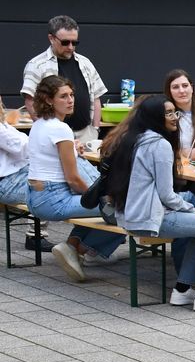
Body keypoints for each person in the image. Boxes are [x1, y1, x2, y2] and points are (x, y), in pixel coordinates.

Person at [105, 95, 195, 312]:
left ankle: (182, 290)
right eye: (168, 113)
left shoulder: (135, 139)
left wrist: (189, 211)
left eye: (174, 112)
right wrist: (191, 209)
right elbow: (166, 195)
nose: (174, 117)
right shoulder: (159, 145)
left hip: (131, 214)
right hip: (151, 217)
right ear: (154, 116)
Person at [27, 76, 123, 282]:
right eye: (63, 96)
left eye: (71, 95)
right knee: (123, 209)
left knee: (106, 206)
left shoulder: (39, 124)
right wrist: (99, 198)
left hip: (35, 197)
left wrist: (72, 147)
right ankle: (83, 250)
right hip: (53, 199)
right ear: (48, 100)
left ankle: (72, 246)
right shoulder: (60, 128)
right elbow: (73, 179)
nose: (70, 100)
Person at [21, 15, 107, 143]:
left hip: (86, 134)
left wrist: (95, 129)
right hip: (54, 136)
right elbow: (30, 101)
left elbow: (96, 98)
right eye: (65, 42)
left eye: (75, 42)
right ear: (51, 38)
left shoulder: (85, 63)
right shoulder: (36, 65)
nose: (70, 47)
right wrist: (46, 131)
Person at [0, 97, 53, 252]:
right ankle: (35, 236)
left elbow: (22, 141)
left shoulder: (3, 125)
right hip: (7, 183)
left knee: (52, 176)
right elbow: (23, 147)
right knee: (51, 186)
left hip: (14, 176)